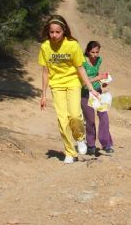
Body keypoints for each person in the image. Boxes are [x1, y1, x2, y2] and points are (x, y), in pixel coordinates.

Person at [38, 14, 99, 163]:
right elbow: (45, 72)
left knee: (75, 116)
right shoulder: (45, 47)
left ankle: (80, 138)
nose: (54, 35)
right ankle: (70, 152)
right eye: (51, 32)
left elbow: (80, 69)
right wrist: (43, 95)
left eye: (57, 32)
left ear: (63, 31)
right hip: (57, 85)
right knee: (62, 120)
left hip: (73, 82)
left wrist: (91, 88)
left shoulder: (72, 45)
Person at [81, 41, 114, 155]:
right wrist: (97, 78)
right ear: (88, 51)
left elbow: (97, 74)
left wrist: (104, 80)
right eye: (92, 52)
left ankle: (106, 144)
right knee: (90, 120)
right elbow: (83, 82)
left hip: (98, 92)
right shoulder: (82, 62)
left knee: (104, 117)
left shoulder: (99, 60)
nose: (95, 55)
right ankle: (91, 145)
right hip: (85, 93)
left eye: (97, 52)